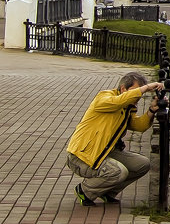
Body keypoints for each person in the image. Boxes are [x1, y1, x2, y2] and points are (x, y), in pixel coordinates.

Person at [66, 71, 163, 206]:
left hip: (105, 152)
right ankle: (85, 191)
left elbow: (138, 126)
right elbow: (116, 102)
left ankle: (107, 192)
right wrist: (146, 88)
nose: (138, 96)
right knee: (118, 172)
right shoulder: (105, 97)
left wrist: (152, 110)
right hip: (82, 156)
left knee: (142, 164)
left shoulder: (128, 106)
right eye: (135, 91)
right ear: (123, 88)